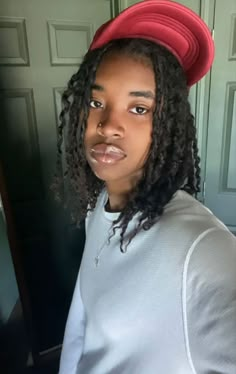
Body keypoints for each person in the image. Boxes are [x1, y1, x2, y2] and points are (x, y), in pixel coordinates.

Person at [56, 1, 236, 373]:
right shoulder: (100, 207)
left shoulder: (201, 250)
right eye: (96, 101)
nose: (107, 125)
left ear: (168, 126)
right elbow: (83, 327)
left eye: (139, 109)